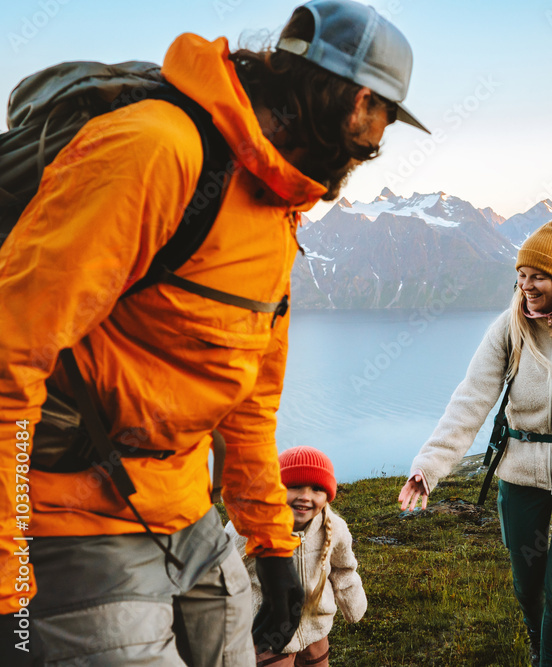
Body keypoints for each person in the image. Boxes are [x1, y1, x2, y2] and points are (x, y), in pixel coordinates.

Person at [0, 1, 425, 664]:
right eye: (384, 120)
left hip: (190, 514)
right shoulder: (157, 149)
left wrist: (271, 544)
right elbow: (8, 357)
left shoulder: (278, 205)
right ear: (355, 100)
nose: (377, 143)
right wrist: (7, 585)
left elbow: (250, 399)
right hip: (76, 520)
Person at [398, 220, 552, 667]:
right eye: (521, 275)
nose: (525, 286)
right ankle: (538, 643)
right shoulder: (508, 328)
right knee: (527, 585)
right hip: (520, 478)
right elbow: (470, 400)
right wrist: (428, 467)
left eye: (537, 276)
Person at [225, 446, 366, 665]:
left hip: (315, 629)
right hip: (268, 633)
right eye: (295, 486)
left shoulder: (335, 528)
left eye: (316, 489)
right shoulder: (248, 528)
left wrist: (353, 605)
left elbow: (343, 568)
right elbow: (221, 570)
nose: (305, 497)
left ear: (328, 495)